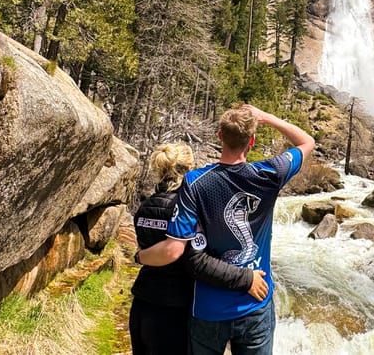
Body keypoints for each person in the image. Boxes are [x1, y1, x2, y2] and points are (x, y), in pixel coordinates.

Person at [138, 105, 315, 355]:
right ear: (251, 141)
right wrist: (268, 118)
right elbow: (307, 141)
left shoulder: (194, 182)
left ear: (219, 136)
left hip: (209, 308)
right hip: (256, 303)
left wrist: (138, 255)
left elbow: (185, 252)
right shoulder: (271, 173)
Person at [130, 142, 270, 355]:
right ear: (189, 168)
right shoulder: (189, 209)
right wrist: (246, 279)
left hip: (142, 304)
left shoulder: (144, 208)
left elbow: (151, 251)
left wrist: (139, 257)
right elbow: (197, 261)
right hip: (174, 312)